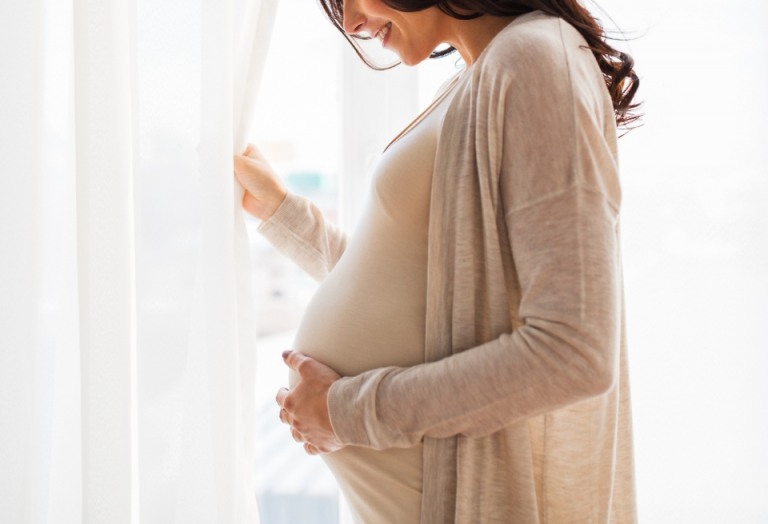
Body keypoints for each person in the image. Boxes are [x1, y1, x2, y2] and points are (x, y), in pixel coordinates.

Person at [234, 0, 640, 522]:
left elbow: (574, 352)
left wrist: (347, 413)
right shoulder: (485, 70)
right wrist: (284, 214)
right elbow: (416, 291)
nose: (353, 24)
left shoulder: (535, 60)